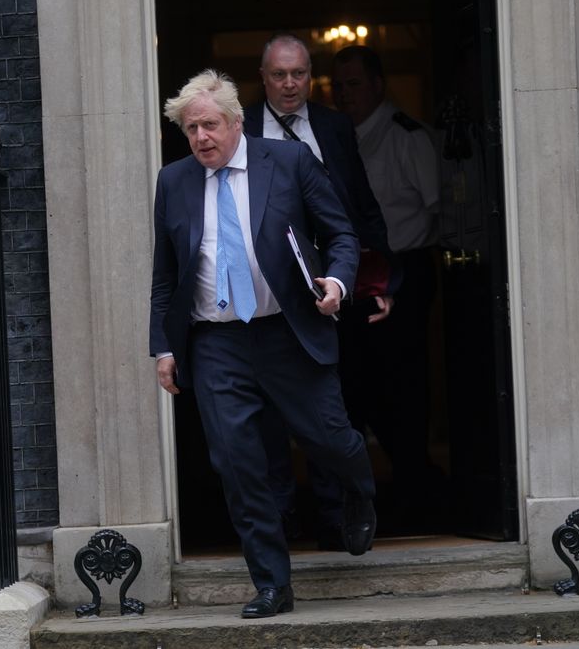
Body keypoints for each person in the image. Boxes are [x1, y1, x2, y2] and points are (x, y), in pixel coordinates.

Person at [149, 69, 377, 619]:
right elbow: (166, 273)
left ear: (235, 123)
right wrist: (163, 346)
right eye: (191, 129)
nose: (200, 138)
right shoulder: (174, 181)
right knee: (237, 461)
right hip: (217, 343)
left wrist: (338, 283)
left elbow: (341, 233)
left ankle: (358, 486)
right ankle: (273, 583)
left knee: (329, 437)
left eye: (209, 126)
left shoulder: (290, 162)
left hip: (287, 330)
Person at [243, 33, 400, 550]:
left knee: (333, 409)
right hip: (262, 296)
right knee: (266, 415)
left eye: (300, 74)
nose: (290, 85)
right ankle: (283, 519)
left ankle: (338, 516)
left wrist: (377, 280)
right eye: (279, 75)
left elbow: (360, 206)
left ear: (312, 77)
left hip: (329, 292)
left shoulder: (333, 126)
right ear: (263, 78)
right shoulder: (238, 127)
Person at [331, 45, 444, 529]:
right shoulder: (340, 138)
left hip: (407, 269)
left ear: (378, 84)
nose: (345, 95)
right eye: (338, 86)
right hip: (359, 276)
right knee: (362, 385)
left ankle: (420, 490)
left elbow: (441, 209)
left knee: (402, 385)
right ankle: (401, 486)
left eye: (354, 84)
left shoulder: (407, 137)